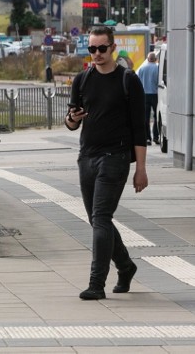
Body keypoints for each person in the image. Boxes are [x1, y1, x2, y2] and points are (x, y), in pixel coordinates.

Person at [65, 25, 148, 301]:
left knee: (101, 217)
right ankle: (126, 266)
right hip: (87, 157)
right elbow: (70, 123)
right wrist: (73, 119)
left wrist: (141, 169)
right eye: (92, 49)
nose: (97, 54)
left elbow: (140, 128)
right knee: (96, 219)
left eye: (102, 48)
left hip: (116, 157)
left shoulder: (128, 80)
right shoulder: (82, 79)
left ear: (113, 48)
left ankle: (96, 283)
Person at [136, 52, 160, 145]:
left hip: (144, 95)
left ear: (147, 58)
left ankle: (147, 138)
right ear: (155, 59)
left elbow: (137, 81)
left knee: (145, 117)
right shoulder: (158, 68)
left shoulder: (142, 68)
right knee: (156, 116)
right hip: (155, 94)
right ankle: (156, 136)